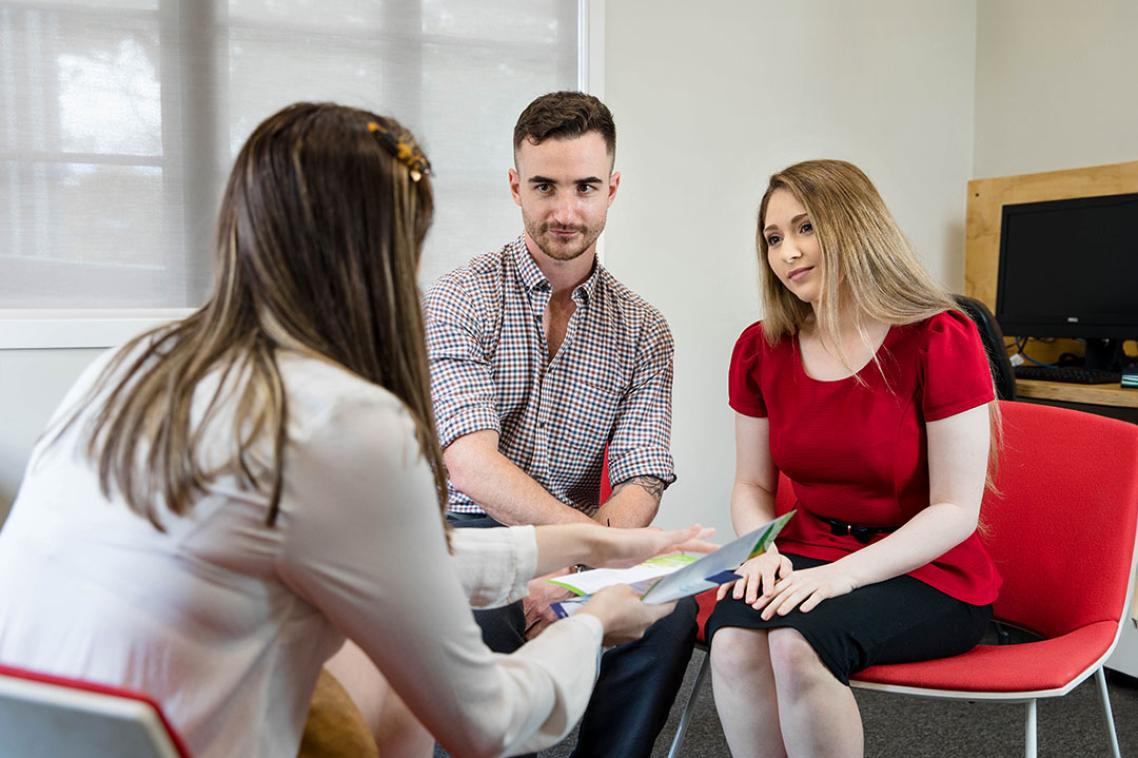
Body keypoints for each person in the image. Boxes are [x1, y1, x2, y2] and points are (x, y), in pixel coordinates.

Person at [0, 102, 713, 758]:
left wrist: (594, 543)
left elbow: (400, 561)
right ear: (384, 253)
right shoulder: (350, 420)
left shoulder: (129, 366)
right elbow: (485, 720)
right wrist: (594, 621)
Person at [424, 91, 697, 757]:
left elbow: (640, 477)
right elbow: (468, 462)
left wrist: (576, 566)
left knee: (672, 608)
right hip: (461, 534)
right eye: (545, 186)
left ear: (613, 188)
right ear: (516, 186)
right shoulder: (459, 298)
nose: (565, 211)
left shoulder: (644, 330)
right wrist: (549, 561)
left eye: (585, 187)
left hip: (582, 542)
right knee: (475, 614)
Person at [707, 159, 1002, 758]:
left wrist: (841, 576)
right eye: (773, 238)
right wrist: (759, 549)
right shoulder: (759, 350)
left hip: (928, 570)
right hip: (806, 551)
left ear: (856, 226)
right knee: (733, 642)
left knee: (796, 642)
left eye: (806, 228)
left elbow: (955, 510)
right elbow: (752, 486)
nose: (788, 251)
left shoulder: (940, 337)